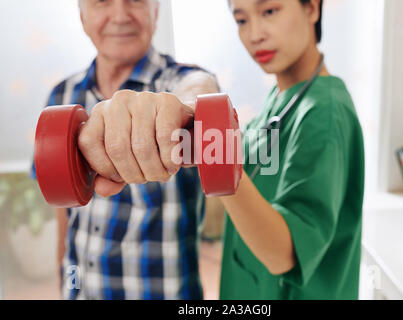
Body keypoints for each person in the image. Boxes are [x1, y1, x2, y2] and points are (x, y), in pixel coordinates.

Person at [75, 0, 365, 299]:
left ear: (312, 8)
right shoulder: (279, 101)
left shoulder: (325, 112)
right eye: (241, 20)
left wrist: (210, 142)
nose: (255, 34)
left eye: (269, 11)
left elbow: (284, 253)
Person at [31, 0, 219, 299]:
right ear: (82, 17)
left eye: (136, 0)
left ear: (156, 12)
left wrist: (181, 110)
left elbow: (201, 91)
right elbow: (64, 216)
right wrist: (67, 285)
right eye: (102, 2)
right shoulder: (61, 94)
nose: (120, 15)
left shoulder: (181, 80)